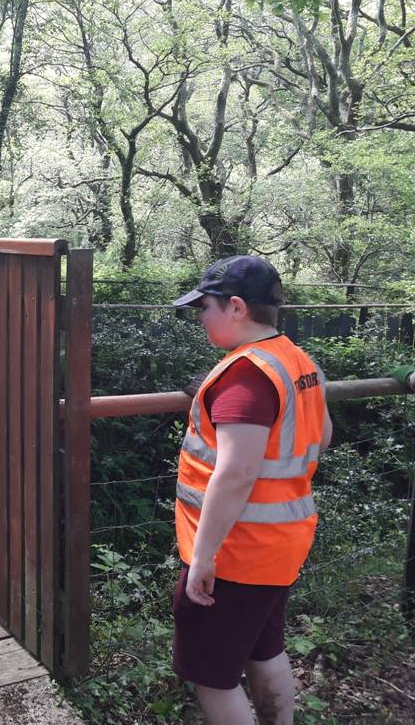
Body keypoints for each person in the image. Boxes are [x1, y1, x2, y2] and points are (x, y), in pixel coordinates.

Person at [171, 255, 332, 724]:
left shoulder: (246, 377)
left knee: (212, 677)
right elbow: (322, 436)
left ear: (237, 307)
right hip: (278, 545)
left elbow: (236, 473)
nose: (201, 317)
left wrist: (203, 558)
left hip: (234, 554)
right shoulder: (296, 360)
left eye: (206, 307)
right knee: (265, 650)